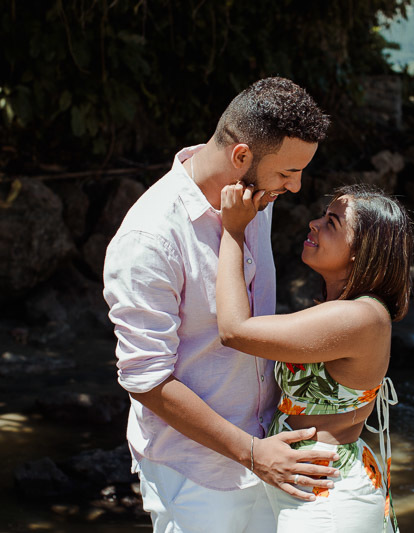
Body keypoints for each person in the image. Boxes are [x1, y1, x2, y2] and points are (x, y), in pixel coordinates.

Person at [103, 78, 339, 533]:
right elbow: (145, 379)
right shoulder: (149, 239)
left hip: (271, 448)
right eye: (288, 172)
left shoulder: (256, 198)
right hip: (197, 474)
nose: (296, 187)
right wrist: (251, 453)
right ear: (241, 156)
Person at [216, 182, 413, 532]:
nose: (314, 223)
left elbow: (234, 330)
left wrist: (232, 230)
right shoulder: (341, 311)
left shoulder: (360, 317)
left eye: (332, 222)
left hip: (329, 496)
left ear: (360, 251)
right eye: (323, 216)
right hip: (311, 484)